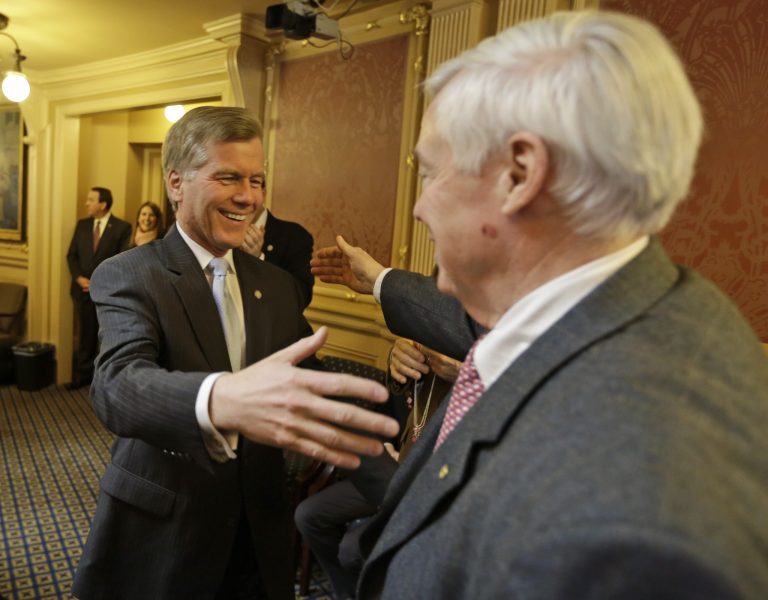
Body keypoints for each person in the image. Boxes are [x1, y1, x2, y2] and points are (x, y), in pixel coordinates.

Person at [311, 10, 768, 599]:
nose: (420, 207)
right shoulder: (628, 308)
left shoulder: (630, 509)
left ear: (518, 174)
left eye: (430, 172)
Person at [71, 106, 398, 600]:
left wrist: (401, 480)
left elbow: (314, 388)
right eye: (228, 178)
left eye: (258, 180)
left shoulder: (277, 286)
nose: (248, 197)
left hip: (262, 530)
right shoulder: (131, 273)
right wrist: (220, 398)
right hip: (166, 531)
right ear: (176, 182)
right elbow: (117, 387)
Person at [295, 339, 459, 600]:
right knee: (308, 515)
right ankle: (349, 594)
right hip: (399, 465)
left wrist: (466, 372)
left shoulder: (489, 352)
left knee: (353, 548)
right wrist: (396, 358)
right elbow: (403, 396)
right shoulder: (430, 327)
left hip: (438, 481)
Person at [65, 186, 132, 389]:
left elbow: (122, 261)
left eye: (90, 199)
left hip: (108, 294)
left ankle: (103, 380)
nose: (86, 203)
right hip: (82, 291)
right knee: (85, 335)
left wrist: (99, 282)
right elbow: (72, 255)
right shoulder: (82, 225)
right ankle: (82, 376)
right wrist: (79, 278)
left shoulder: (122, 228)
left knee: (107, 338)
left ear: (102, 204)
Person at [241, 201, 314, 307]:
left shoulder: (295, 236)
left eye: (254, 184)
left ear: (263, 192)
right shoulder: (221, 233)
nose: (242, 197)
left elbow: (300, 297)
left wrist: (258, 260)